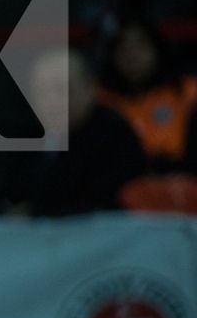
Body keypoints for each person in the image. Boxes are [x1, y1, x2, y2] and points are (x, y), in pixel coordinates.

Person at [13, 48, 148, 216]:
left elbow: (101, 202)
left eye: (63, 90)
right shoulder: (31, 135)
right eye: (42, 92)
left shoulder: (112, 133)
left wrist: (35, 212)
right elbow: (9, 195)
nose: (52, 101)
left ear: (90, 88)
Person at [95, 16, 197, 172]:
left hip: (181, 181)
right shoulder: (100, 98)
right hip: (119, 182)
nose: (132, 55)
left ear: (156, 47)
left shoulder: (187, 90)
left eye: (140, 45)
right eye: (123, 48)